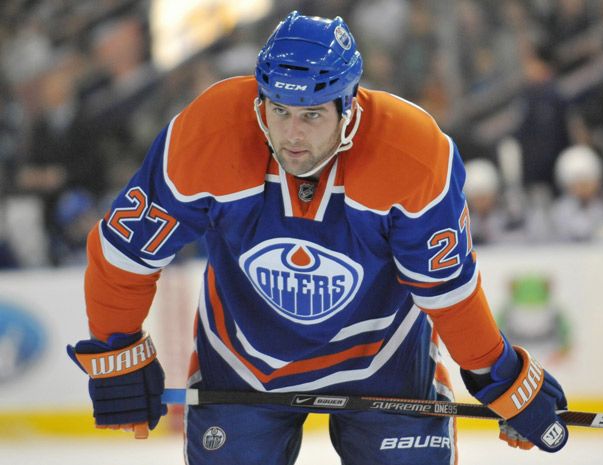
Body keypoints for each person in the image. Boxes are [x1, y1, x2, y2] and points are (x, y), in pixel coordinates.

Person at [67, 11, 569, 465]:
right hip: (243, 363)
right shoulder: (209, 133)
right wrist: (117, 347)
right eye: (279, 110)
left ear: (348, 108)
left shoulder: (413, 153)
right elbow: (124, 256)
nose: (291, 135)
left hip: (385, 363)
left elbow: (448, 292)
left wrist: (497, 373)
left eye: (311, 115)